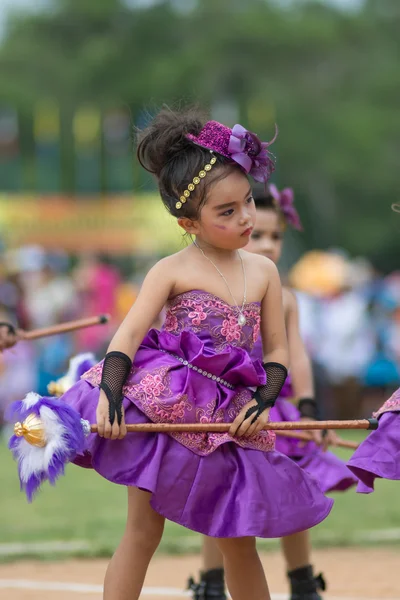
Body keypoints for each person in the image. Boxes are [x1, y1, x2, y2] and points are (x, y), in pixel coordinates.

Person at [22, 108, 333, 600]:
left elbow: (276, 349)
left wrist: (265, 401)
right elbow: (125, 337)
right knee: (144, 533)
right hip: (166, 402)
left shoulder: (266, 272)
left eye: (247, 202)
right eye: (226, 212)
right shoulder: (170, 269)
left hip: (231, 416)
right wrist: (112, 396)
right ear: (189, 221)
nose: (246, 217)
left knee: (237, 539)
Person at [189, 186, 358, 600]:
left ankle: (302, 580)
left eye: (276, 236)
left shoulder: (285, 297)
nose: (267, 244)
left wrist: (308, 407)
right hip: (228, 410)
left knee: (295, 487)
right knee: (221, 497)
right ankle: (210, 583)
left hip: (276, 408)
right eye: (259, 234)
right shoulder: (219, 288)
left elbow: (295, 357)